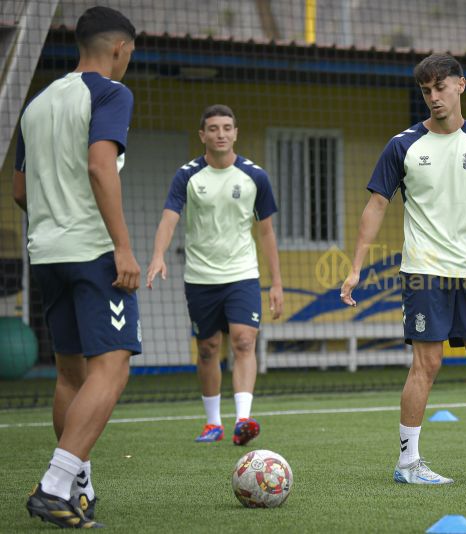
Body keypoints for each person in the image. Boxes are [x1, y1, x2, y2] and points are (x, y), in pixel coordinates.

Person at [340, 53, 466, 484]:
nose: (434, 97)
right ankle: (407, 463)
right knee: (427, 363)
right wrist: (355, 267)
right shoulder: (402, 146)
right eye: (426, 91)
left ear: (460, 86)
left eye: (440, 87)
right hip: (423, 271)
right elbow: (375, 205)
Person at [12, 6, 139, 528]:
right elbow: (99, 164)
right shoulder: (111, 93)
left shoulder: (37, 104)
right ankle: (53, 485)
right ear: (118, 49)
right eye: (131, 52)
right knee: (112, 367)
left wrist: (55, 216)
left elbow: (19, 190)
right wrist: (123, 247)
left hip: (45, 253)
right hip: (93, 253)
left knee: (70, 373)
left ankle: (77, 487)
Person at [146, 104, 283, 447]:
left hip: (242, 274)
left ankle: (242, 420)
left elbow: (266, 232)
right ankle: (212, 423)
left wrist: (276, 282)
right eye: (213, 128)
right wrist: (157, 255)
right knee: (207, 349)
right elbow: (169, 217)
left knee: (243, 341)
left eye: (226, 127)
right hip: (200, 277)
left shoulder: (256, 177)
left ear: (235, 133)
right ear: (202, 135)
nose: (220, 134)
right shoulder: (187, 176)